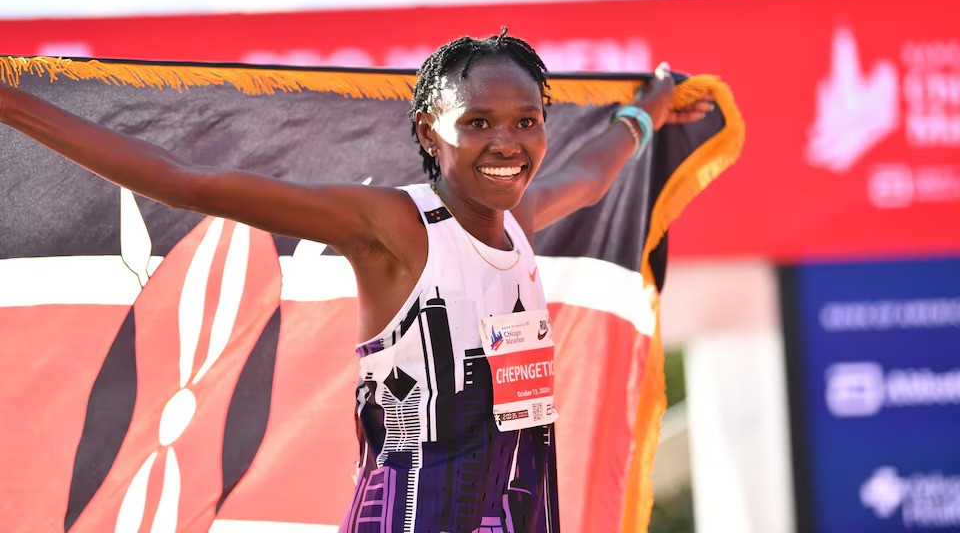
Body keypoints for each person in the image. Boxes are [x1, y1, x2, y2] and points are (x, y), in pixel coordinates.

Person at [0, 31, 711, 532]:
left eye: (527, 121)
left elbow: (590, 178)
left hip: (514, 511)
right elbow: (186, 182)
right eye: (479, 122)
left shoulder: (519, 217)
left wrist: (646, 109)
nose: (508, 142)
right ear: (430, 134)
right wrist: (12, 104)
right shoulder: (394, 227)